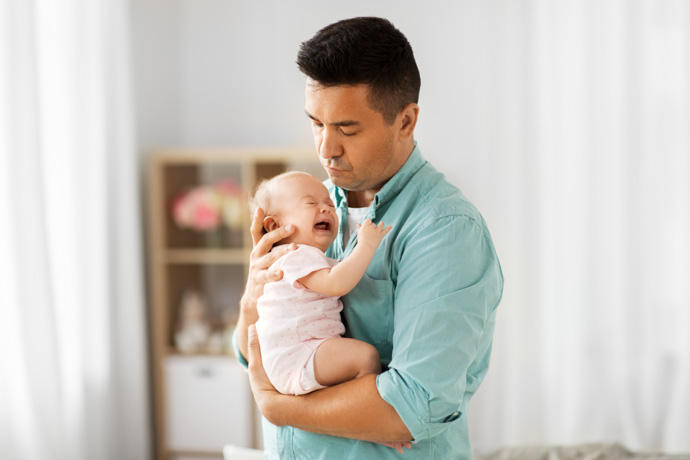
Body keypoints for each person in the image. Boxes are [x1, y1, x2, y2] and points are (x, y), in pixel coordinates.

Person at [233, 16, 503, 459]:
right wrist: (252, 295)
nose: (325, 148)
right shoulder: (310, 207)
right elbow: (253, 354)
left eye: (346, 128)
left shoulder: (445, 230)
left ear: (406, 121)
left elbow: (409, 408)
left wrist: (278, 407)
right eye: (316, 123)